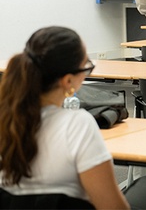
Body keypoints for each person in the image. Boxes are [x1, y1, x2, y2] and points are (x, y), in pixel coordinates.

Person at [0, 26, 129, 209]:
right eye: (86, 68)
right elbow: (112, 207)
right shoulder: (77, 124)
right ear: (68, 81)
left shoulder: (5, 118)